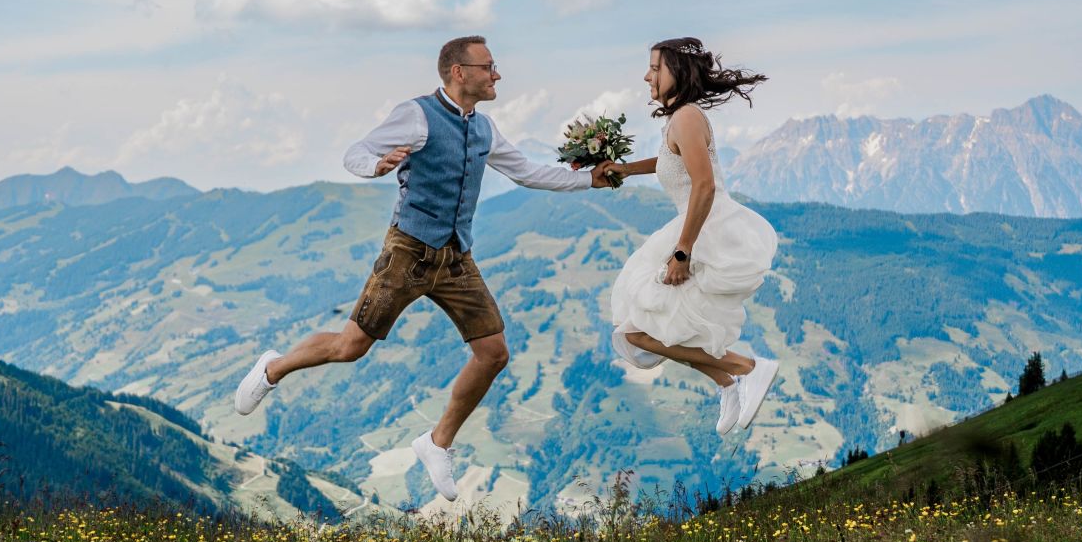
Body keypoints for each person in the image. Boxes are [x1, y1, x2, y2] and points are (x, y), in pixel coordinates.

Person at [231, 35, 617, 503]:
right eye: (488, 66)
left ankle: (437, 443)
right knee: (351, 346)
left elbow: (528, 172)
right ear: (459, 72)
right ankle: (273, 368)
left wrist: (586, 180)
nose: (497, 74)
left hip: (456, 257)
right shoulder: (416, 116)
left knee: (493, 353)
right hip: (408, 251)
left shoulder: (485, 128)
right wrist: (377, 165)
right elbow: (355, 151)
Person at [601, 37, 779, 441]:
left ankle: (748, 368)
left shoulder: (686, 118)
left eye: (654, 68)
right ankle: (728, 385)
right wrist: (626, 170)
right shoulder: (679, 119)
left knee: (637, 330)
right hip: (695, 225)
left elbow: (704, 185)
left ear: (676, 71)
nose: (647, 75)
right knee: (657, 327)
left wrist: (683, 252)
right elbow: (673, 163)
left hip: (703, 231)